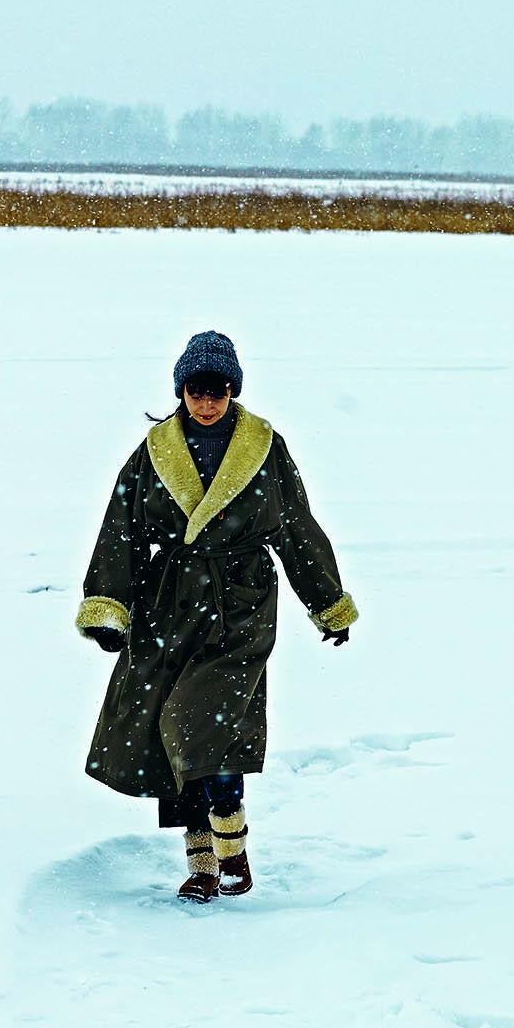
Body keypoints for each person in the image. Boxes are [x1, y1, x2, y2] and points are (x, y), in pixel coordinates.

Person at [75, 330, 357, 903]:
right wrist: (111, 606)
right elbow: (121, 530)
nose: (207, 402)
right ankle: (203, 862)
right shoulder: (154, 451)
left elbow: (297, 527)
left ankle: (235, 854)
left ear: (233, 390)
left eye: (219, 390)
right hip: (169, 604)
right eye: (196, 390)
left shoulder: (263, 448)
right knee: (171, 732)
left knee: (202, 725)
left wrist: (327, 603)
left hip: (240, 603)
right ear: (180, 391)